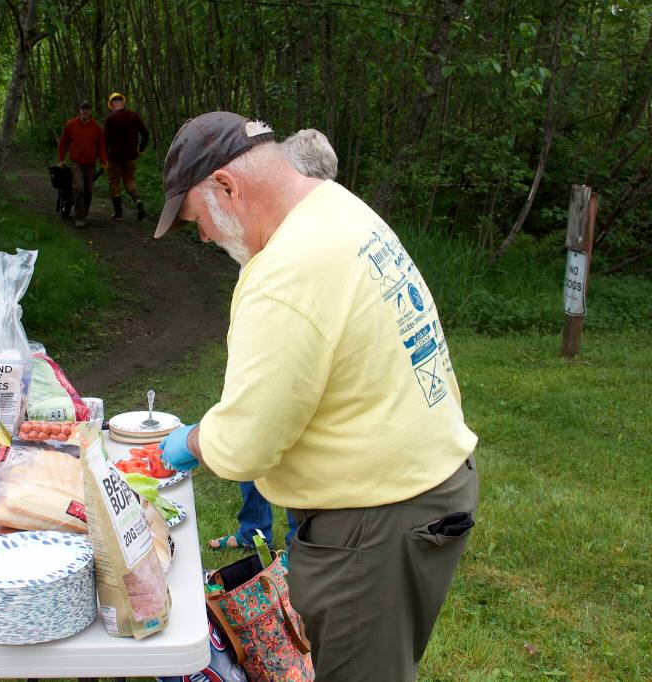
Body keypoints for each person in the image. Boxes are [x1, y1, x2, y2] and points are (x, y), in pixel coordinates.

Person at [155, 112, 479, 681]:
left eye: (196, 219)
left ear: (227, 186)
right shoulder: (335, 207)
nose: (203, 236)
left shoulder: (287, 271)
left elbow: (247, 445)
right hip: (422, 491)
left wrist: (191, 441)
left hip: (374, 519)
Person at [211, 127, 340, 552]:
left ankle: (293, 545)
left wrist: (194, 443)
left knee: (279, 447)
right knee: (257, 437)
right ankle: (255, 531)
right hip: (264, 368)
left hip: (299, 390)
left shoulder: (312, 248)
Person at [57, 100, 107, 227]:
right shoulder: (71, 125)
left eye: (87, 109)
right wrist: (61, 159)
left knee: (89, 191)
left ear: (90, 111)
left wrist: (103, 162)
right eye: (83, 108)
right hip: (76, 162)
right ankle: (79, 217)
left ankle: (83, 213)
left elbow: (101, 146)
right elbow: (63, 143)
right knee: (79, 187)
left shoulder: (96, 128)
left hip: (90, 163)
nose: (85, 111)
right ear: (78, 110)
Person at [103, 92, 149, 221]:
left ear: (112, 105)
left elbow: (105, 141)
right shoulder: (134, 116)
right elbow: (145, 133)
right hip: (130, 156)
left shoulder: (110, 119)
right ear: (122, 103)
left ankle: (119, 214)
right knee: (129, 181)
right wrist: (140, 149)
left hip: (114, 157)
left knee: (114, 183)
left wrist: (104, 157)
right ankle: (138, 200)